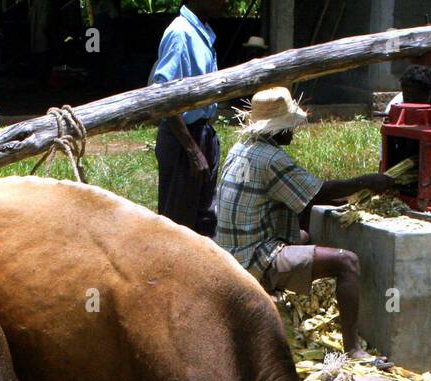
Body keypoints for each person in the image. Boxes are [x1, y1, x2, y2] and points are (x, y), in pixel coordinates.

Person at [216, 87, 398, 359]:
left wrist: (341, 198)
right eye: (290, 125)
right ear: (278, 128)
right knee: (347, 262)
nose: (294, 130)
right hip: (252, 259)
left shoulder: (242, 148)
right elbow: (316, 192)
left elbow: (301, 194)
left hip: (231, 253)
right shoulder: (272, 158)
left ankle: (289, 303)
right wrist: (367, 182)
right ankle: (353, 349)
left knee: (302, 236)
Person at [151, 2, 227, 236]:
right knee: (177, 226)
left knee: (205, 219)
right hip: (183, 138)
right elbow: (165, 97)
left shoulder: (201, 32)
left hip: (201, 133)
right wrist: (193, 150)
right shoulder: (180, 33)